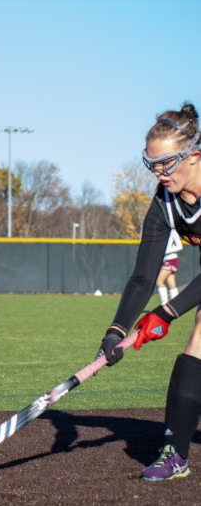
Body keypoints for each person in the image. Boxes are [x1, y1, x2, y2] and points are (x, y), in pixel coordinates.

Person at [97, 102, 201, 482]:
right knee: (199, 342)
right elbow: (143, 277)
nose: (158, 172)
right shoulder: (164, 203)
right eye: (151, 164)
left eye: (166, 164)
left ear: (194, 157)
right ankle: (175, 454)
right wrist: (116, 330)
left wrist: (167, 312)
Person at [156, 229, 183, 305]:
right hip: (165, 260)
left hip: (171, 259)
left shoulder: (173, 231)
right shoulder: (160, 232)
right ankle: (177, 304)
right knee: (171, 285)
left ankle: (164, 304)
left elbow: (180, 246)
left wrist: (166, 250)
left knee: (159, 281)